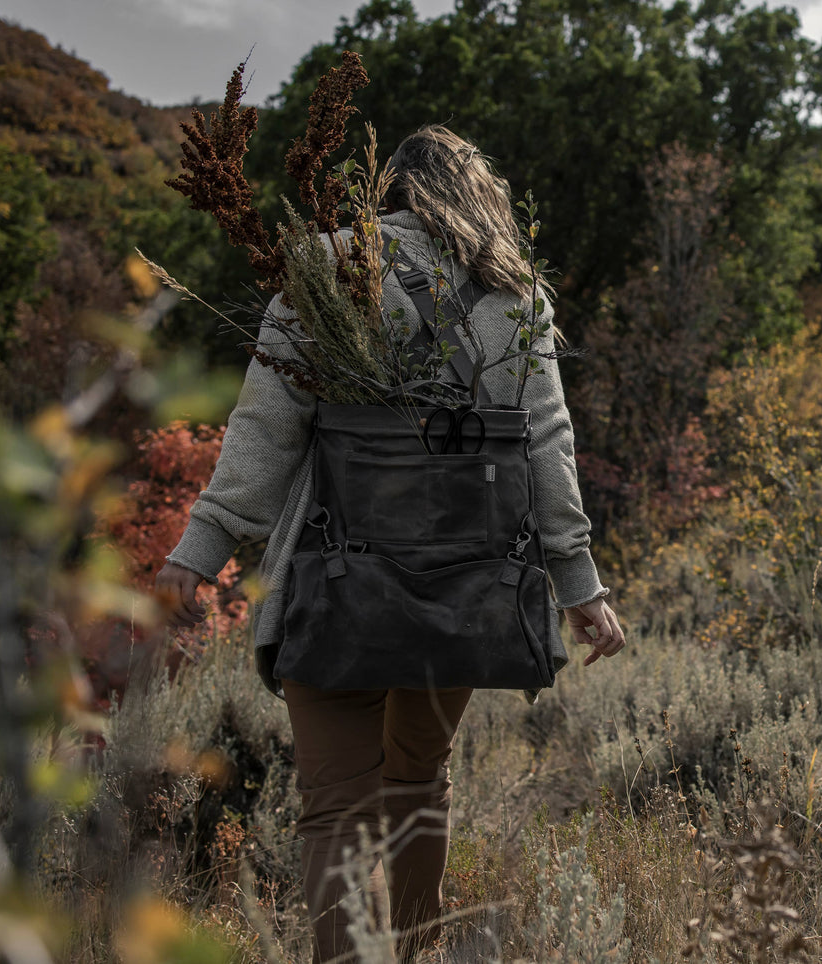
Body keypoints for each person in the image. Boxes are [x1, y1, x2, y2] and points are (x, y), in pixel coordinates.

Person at [154, 124, 625, 962]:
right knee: (417, 786)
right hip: (468, 582)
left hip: (336, 577)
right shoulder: (514, 293)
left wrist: (200, 549)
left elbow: (265, 428)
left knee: (336, 805)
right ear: (477, 194)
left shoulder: (327, 265)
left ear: (389, 189)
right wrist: (578, 584)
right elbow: (547, 444)